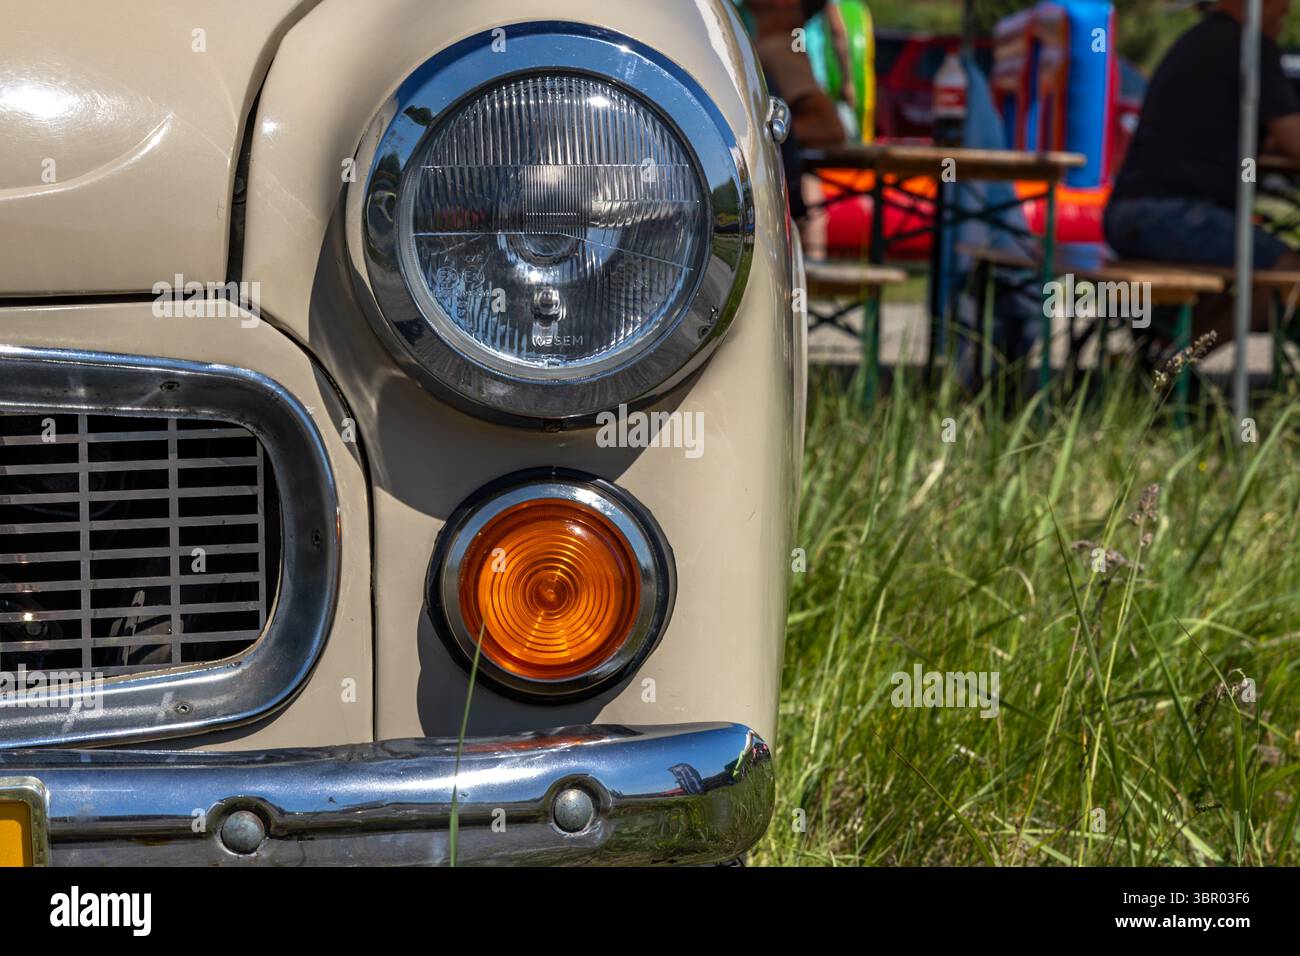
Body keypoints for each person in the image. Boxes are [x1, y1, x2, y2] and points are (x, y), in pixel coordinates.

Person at [1104, 0, 1300, 343]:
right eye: (1279, 3)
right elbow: (1293, 139)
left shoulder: (1196, 39)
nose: (1286, 11)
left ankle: (1166, 365)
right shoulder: (1250, 45)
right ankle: (1180, 371)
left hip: (1131, 214)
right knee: (1291, 272)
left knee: (1241, 276)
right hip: (1171, 217)